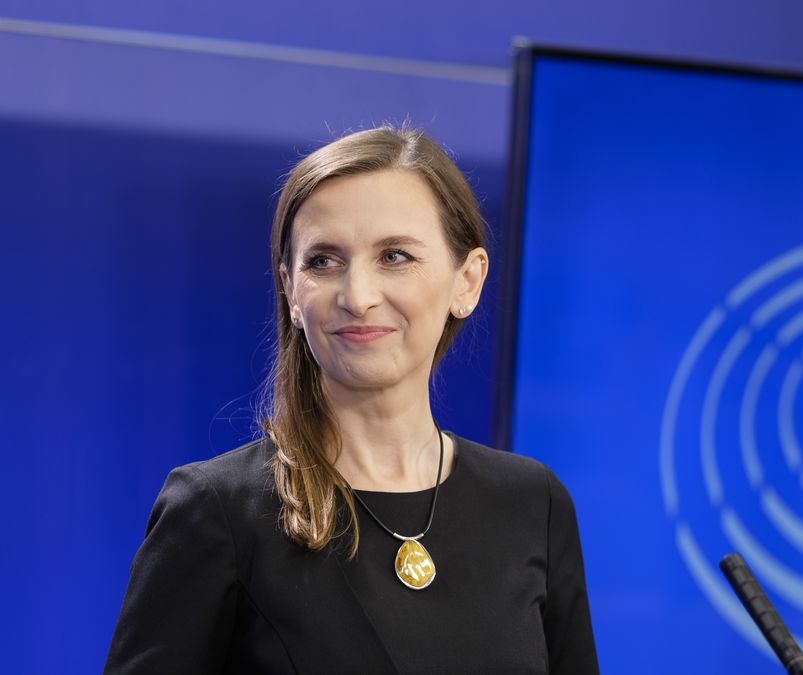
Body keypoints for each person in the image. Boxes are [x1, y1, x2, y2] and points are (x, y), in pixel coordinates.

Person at [104, 126, 600, 674]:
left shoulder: (533, 504)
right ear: (290, 289)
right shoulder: (217, 510)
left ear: (468, 281)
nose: (358, 297)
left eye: (395, 256)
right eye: (323, 261)